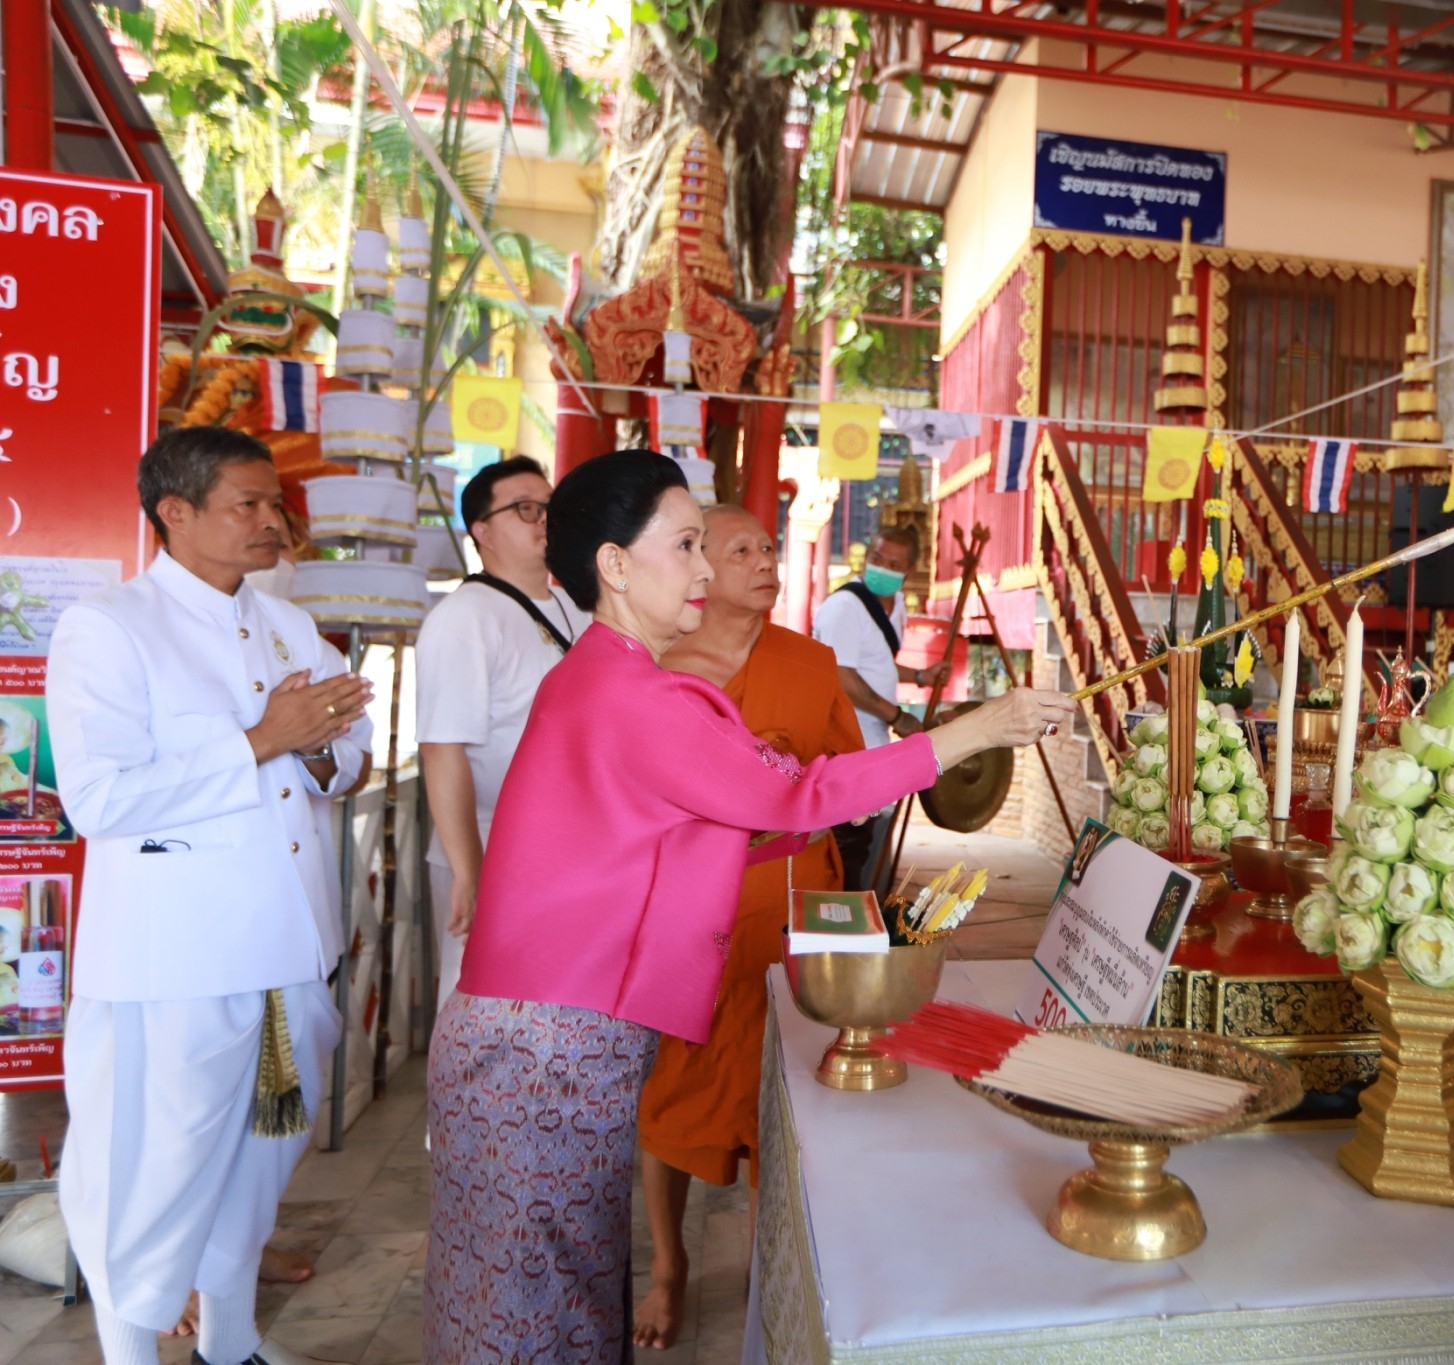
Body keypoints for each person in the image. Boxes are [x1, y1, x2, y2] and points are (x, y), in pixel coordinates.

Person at [422, 451, 1071, 1362]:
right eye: (686, 545)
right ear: (614, 565)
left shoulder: (605, 675)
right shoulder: (630, 692)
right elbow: (798, 794)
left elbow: (705, 827)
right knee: (534, 1314)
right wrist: (976, 729)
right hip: (544, 1050)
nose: (703, 568)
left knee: (539, 1294)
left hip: (539, 1041)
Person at [48, 426, 374, 1365]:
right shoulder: (110, 626)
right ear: (175, 513)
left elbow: (342, 762)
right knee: (149, 1170)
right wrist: (261, 738)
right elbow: (99, 798)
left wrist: (317, 745)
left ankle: (231, 1340)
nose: (274, 522)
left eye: (276, 504)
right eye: (249, 505)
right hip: (174, 959)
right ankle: (131, 1352)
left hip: (289, 948)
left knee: (259, 1159)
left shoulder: (285, 622)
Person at [632, 504, 864, 1349]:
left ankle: (781, 1263)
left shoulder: (810, 662)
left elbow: (839, 778)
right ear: (699, 566)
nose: (765, 562)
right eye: (742, 551)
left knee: (793, 1093)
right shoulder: (659, 669)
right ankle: (668, 1267)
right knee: (671, 1094)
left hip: (798, 904)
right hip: (696, 912)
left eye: (770, 548)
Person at [416, 455, 587, 1008]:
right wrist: (469, 867)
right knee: (482, 1003)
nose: (544, 520)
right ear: (482, 531)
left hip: (564, 843)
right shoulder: (464, 618)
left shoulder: (573, 606)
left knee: (552, 1006)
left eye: (550, 508)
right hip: (491, 843)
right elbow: (443, 750)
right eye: (525, 509)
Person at [812, 524, 946, 889]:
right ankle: (846, 931)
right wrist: (897, 716)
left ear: (909, 572)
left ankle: (868, 923)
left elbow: (878, 663)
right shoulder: (844, 607)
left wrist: (920, 676)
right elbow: (843, 676)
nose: (881, 568)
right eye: (876, 558)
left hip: (875, 743)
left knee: (871, 846)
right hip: (845, 743)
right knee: (849, 853)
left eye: (893, 563)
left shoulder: (897, 604)